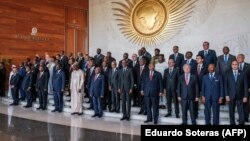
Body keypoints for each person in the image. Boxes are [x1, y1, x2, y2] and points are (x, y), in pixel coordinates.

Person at [225, 60, 248, 125]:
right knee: (231, 111)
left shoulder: (243, 73)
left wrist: (245, 96)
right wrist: (226, 95)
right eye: (233, 64)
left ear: (238, 65)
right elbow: (226, 85)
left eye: (236, 64)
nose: (234, 65)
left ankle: (241, 123)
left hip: (240, 95)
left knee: (241, 111)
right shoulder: (227, 73)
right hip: (230, 95)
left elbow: (245, 85)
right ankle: (232, 123)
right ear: (231, 65)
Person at [237, 54, 249, 122]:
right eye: (238, 57)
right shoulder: (235, 66)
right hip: (238, 88)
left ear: (244, 58)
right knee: (239, 103)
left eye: (240, 57)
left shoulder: (248, 66)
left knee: (246, 103)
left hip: (247, 88)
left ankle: (246, 117)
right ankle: (241, 117)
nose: (239, 58)